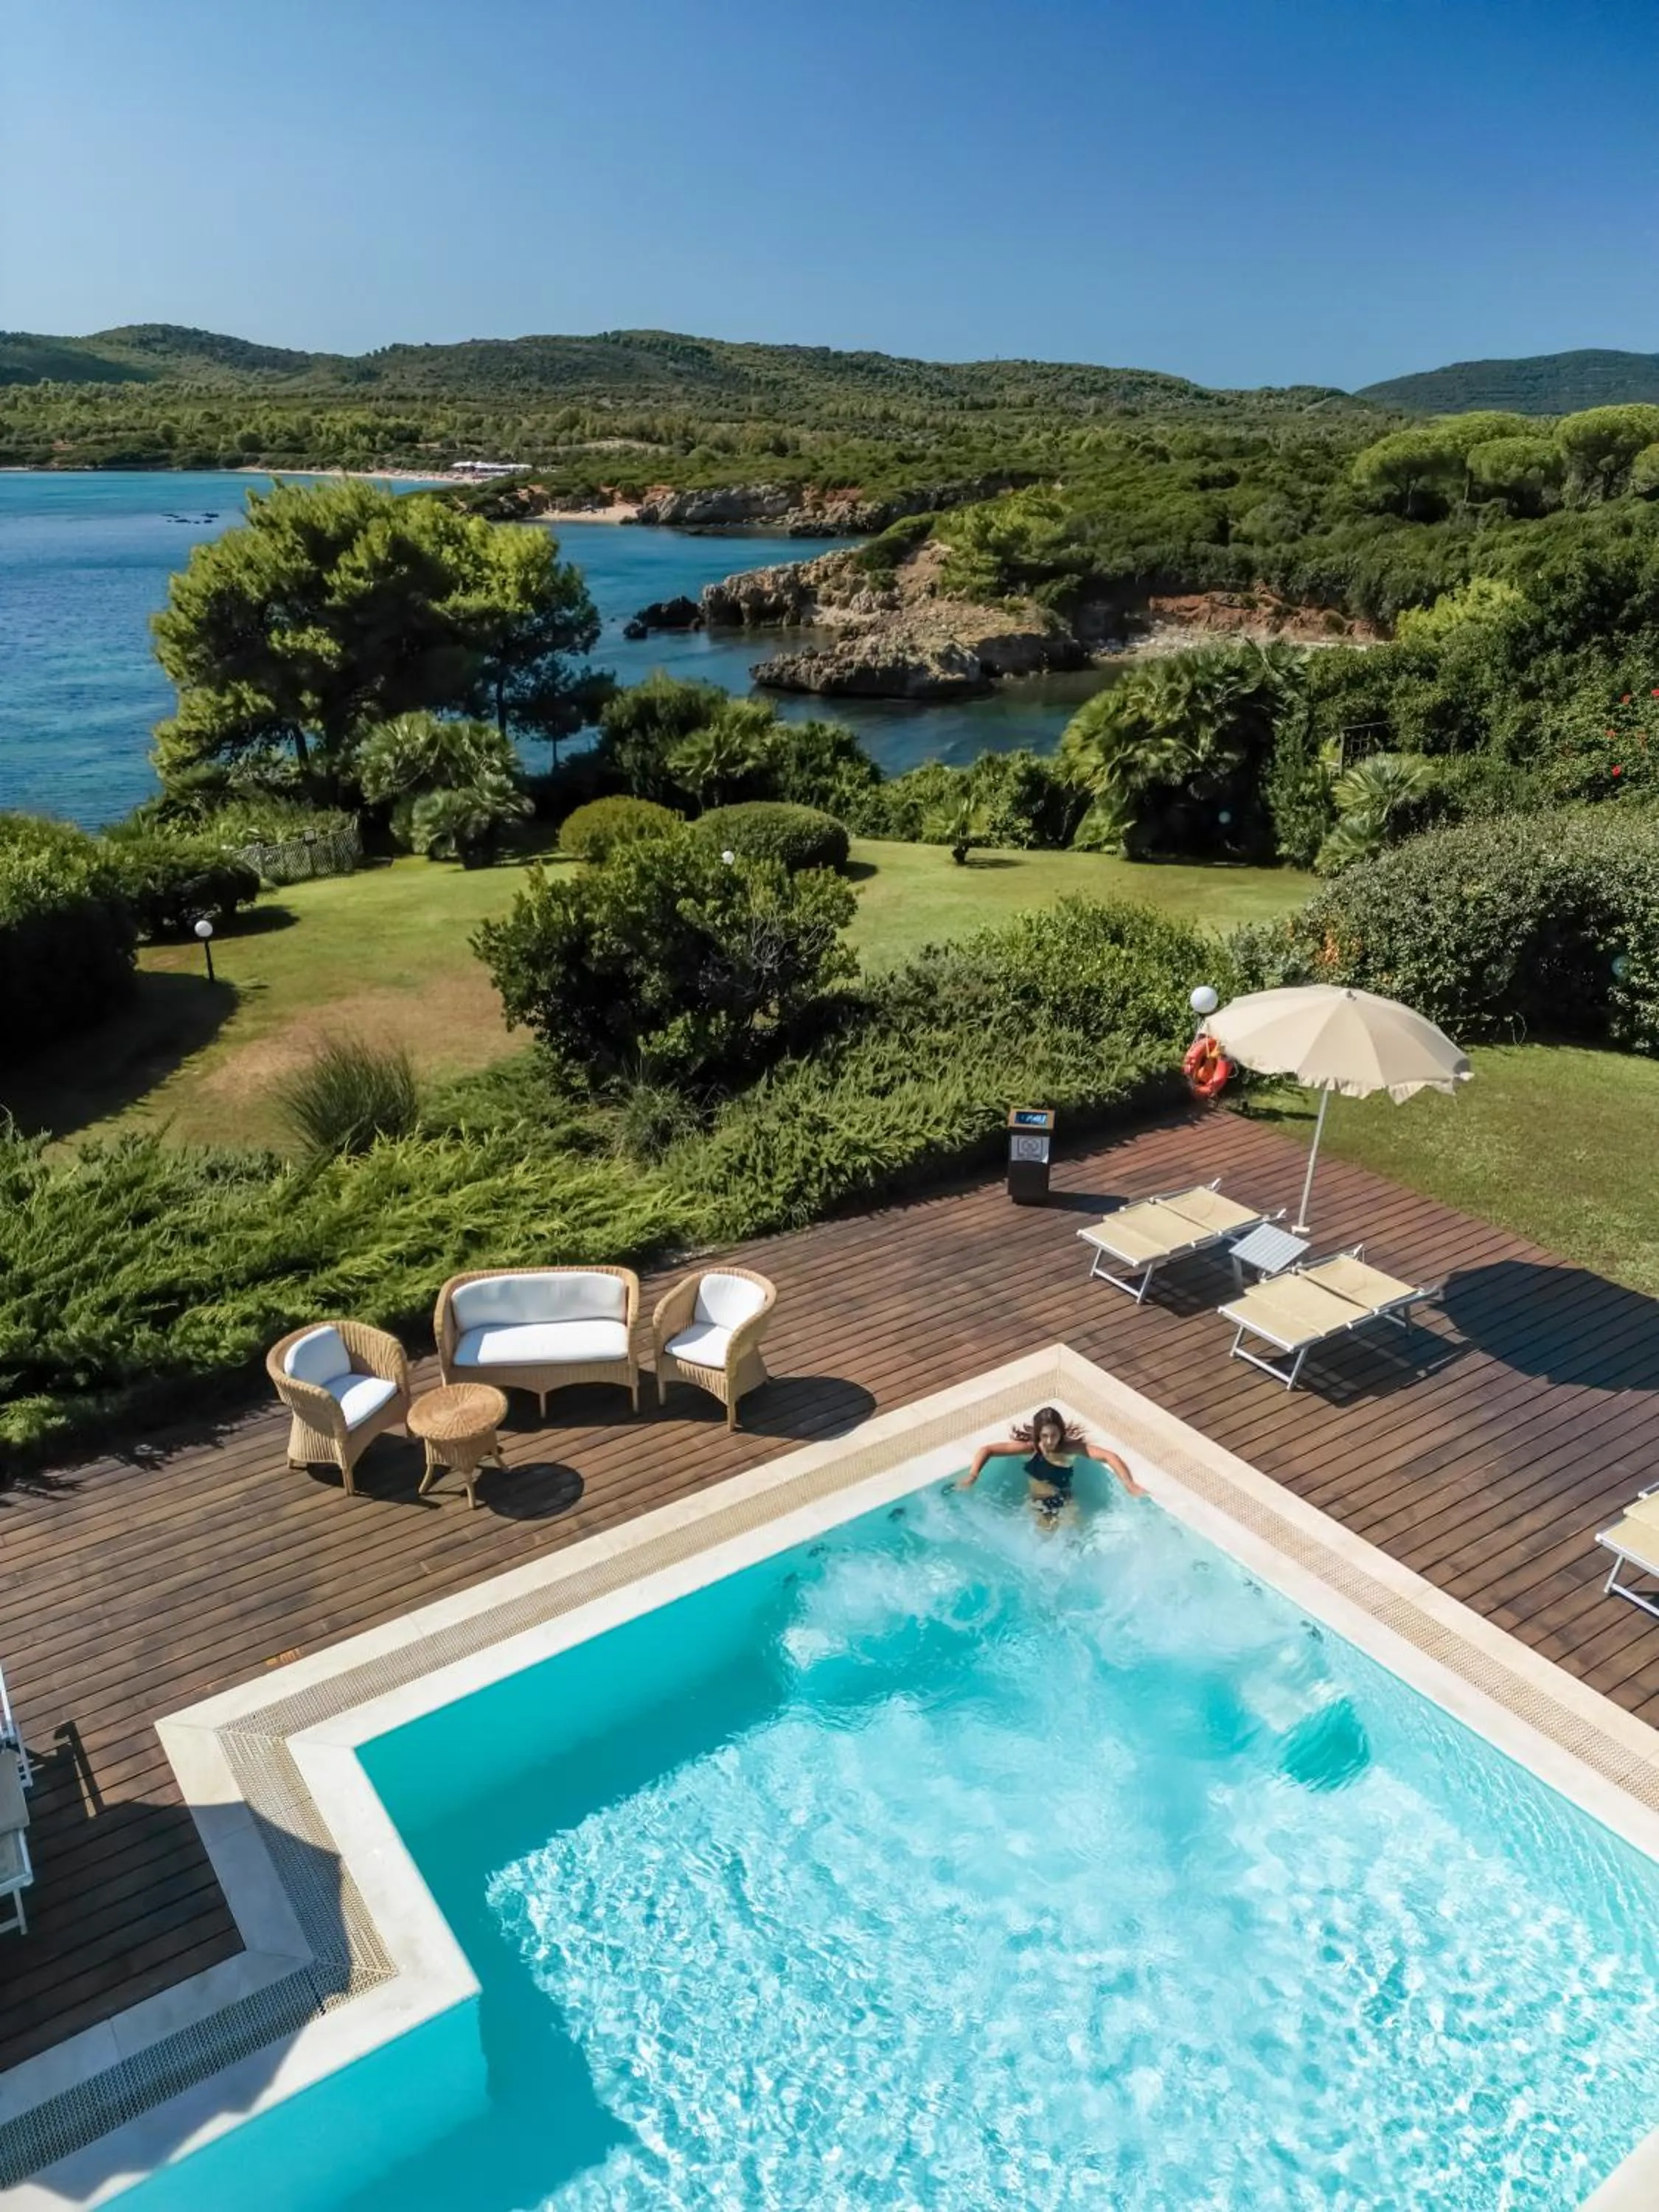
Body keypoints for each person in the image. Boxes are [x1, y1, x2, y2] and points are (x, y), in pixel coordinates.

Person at [959, 1406, 1147, 1528]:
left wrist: (1128, 1483)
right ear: (1038, 1435)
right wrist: (973, 1475)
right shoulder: (1029, 1449)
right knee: (1045, 1540)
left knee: (1075, 1538)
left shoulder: (1070, 1449)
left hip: (1066, 1499)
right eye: (1045, 1436)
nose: (1050, 1441)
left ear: (1061, 1432)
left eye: (1054, 1435)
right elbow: (987, 1450)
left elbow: (1109, 1457)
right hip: (1038, 1502)